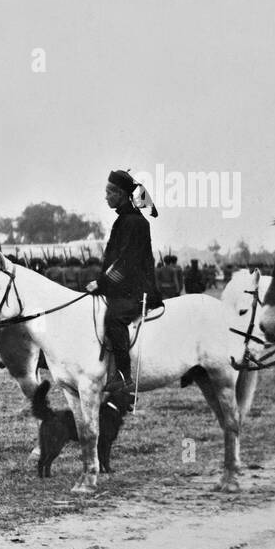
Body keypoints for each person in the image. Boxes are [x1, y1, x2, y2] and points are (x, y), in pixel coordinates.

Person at [85, 168, 163, 409]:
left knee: (114, 319)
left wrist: (102, 283)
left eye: (109, 192)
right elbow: (112, 260)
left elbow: (125, 262)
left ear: (120, 194)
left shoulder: (135, 222)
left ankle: (123, 376)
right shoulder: (124, 219)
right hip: (123, 288)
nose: (106, 196)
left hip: (137, 291)